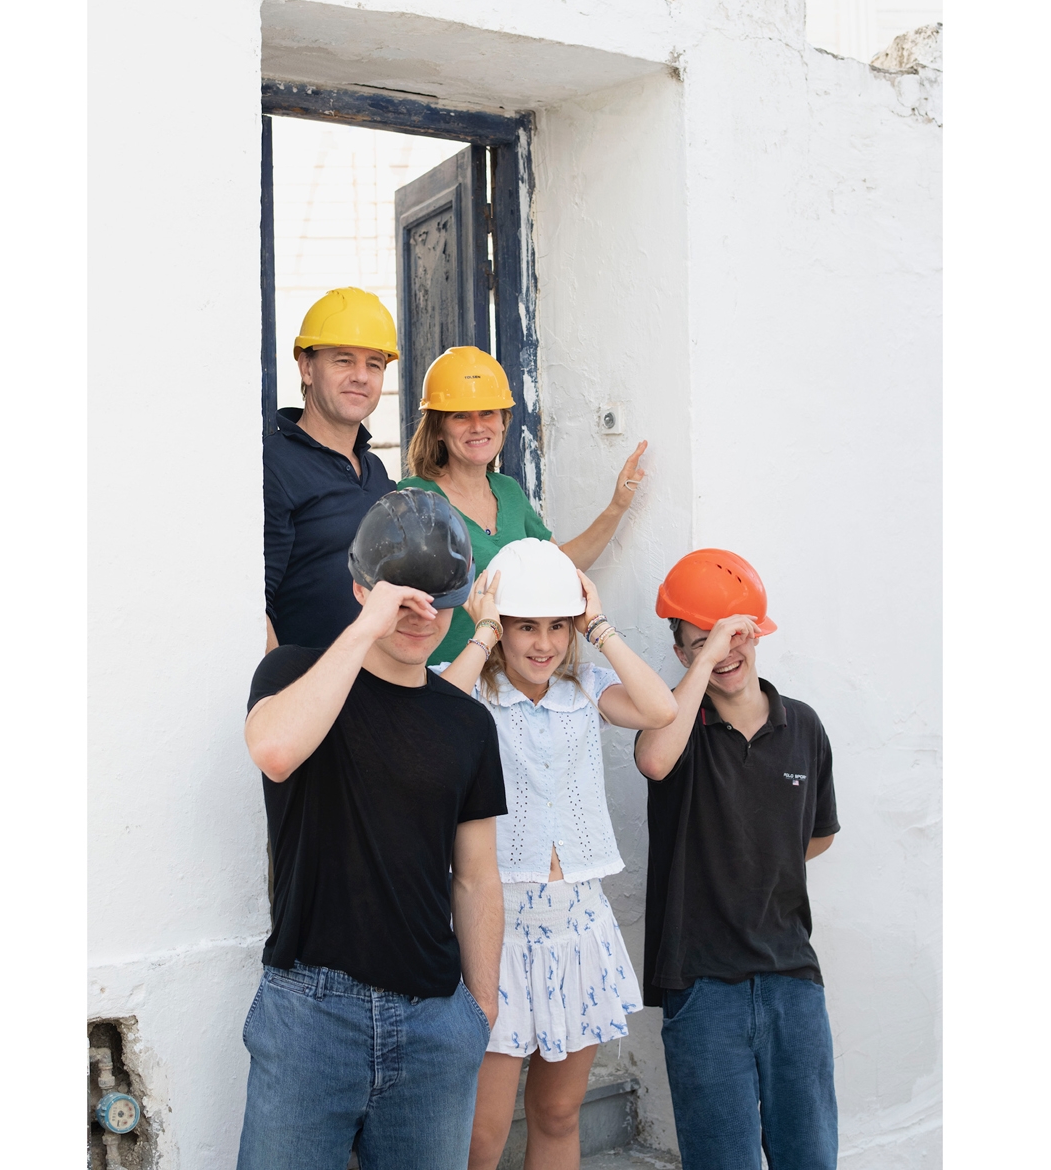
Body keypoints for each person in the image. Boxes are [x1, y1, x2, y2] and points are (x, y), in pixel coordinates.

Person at [237, 488, 507, 1170]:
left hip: (434, 1021)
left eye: (439, 600)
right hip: (311, 1014)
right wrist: (365, 625)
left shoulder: (467, 723)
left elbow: (476, 877)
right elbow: (274, 751)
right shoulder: (295, 672)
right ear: (362, 588)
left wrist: (477, 1013)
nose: (423, 616)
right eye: (404, 599)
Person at [432, 539, 677, 1170]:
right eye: (525, 627)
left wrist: (599, 627)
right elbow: (427, 719)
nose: (543, 644)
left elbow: (660, 707)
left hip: (578, 929)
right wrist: (480, 630)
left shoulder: (587, 688)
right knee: (479, 1132)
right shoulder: (473, 697)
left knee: (559, 1113)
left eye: (557, 627)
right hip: (499, 936)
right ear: (502, 628)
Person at [634, 549, 842, 1170]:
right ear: (680, 655)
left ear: (756, 634)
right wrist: (705, 659)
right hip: (702, 987)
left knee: (810, 1158)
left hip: (792, 980)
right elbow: (653, 760)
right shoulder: (677, 723)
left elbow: (818, 836)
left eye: (732, 636)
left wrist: (757, 856)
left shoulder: (803, 726)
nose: (723, 654)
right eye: (700, 643)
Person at [396, 344, 648, 667]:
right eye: (460, 415)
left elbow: (563, 566)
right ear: (439, 429)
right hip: (448, 683)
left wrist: (617, 507)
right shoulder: (414, 499)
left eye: (488, 412)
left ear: (504, 421)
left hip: (512, 682)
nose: (477, 426)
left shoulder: (509, 491)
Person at [264, 286, 399, 652]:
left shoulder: (378, 472)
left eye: (374, 364)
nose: (361, 376)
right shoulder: (272, 466)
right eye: (343, 360)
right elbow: (251, 602)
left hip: (376, 692)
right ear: (307, 368)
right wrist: (281, 696)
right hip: (310, 694)